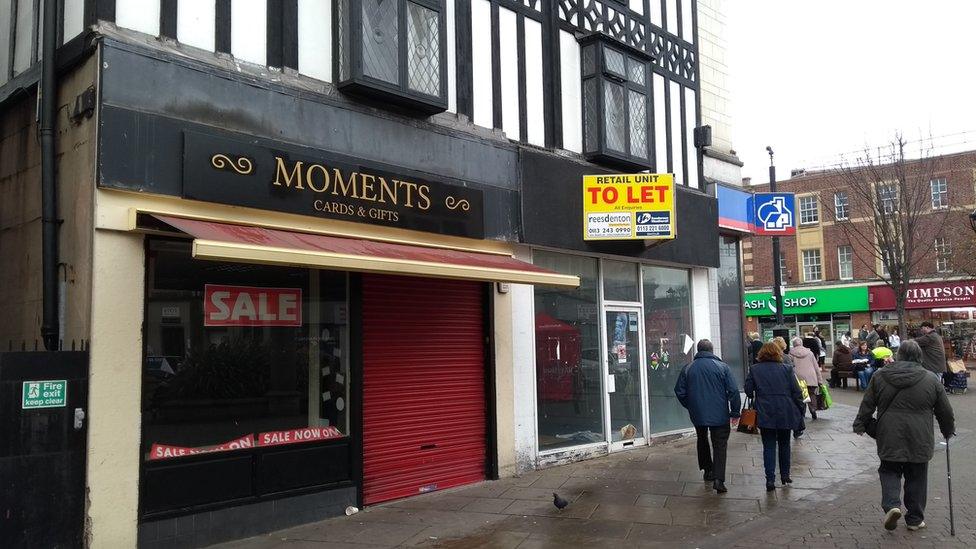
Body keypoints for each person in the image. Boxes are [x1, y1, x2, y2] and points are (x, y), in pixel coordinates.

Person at [853, 340, 954, 532]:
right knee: (917, 475)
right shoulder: (931, 378)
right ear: (919, 356)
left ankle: (892, 505)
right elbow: (945, 411)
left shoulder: (880, 376)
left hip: (888, 433)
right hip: (920, 435)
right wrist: (947, 430)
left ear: (899, 355)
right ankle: (915, 519)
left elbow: (867, 404)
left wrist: (860, 424)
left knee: (889, 470)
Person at [674, 339, 741, 494]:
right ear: (712, 350)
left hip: (698, 412)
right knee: (720, 444)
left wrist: (690, 405)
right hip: (720, 413)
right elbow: (733, 391)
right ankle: (719, 479)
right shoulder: (722, 367)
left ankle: (707, 469)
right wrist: (735, 412)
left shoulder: (688, 368)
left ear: (698, 350)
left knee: (702, 438)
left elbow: (679, 391)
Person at [745, 342, 804, 492]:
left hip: (765, 411)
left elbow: (748, 391)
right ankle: (785, 475)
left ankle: (770, 479)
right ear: (778, 353)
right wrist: (800, 410)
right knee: (785, 443)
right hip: (785, 409)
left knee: (769, 446)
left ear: (761, 354)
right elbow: (796, 392)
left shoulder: (755, 369)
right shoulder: (787, 369)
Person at [789, 337, 824, 421]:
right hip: (811, 377)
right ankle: (813, 409)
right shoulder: (810, 353)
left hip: (799, 377)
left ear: (793, 344)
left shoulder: (791, 353)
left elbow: (790, 367)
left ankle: (802, 412)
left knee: (802, 395)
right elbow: (816, 367)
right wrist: (820, 380)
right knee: (811, 394)